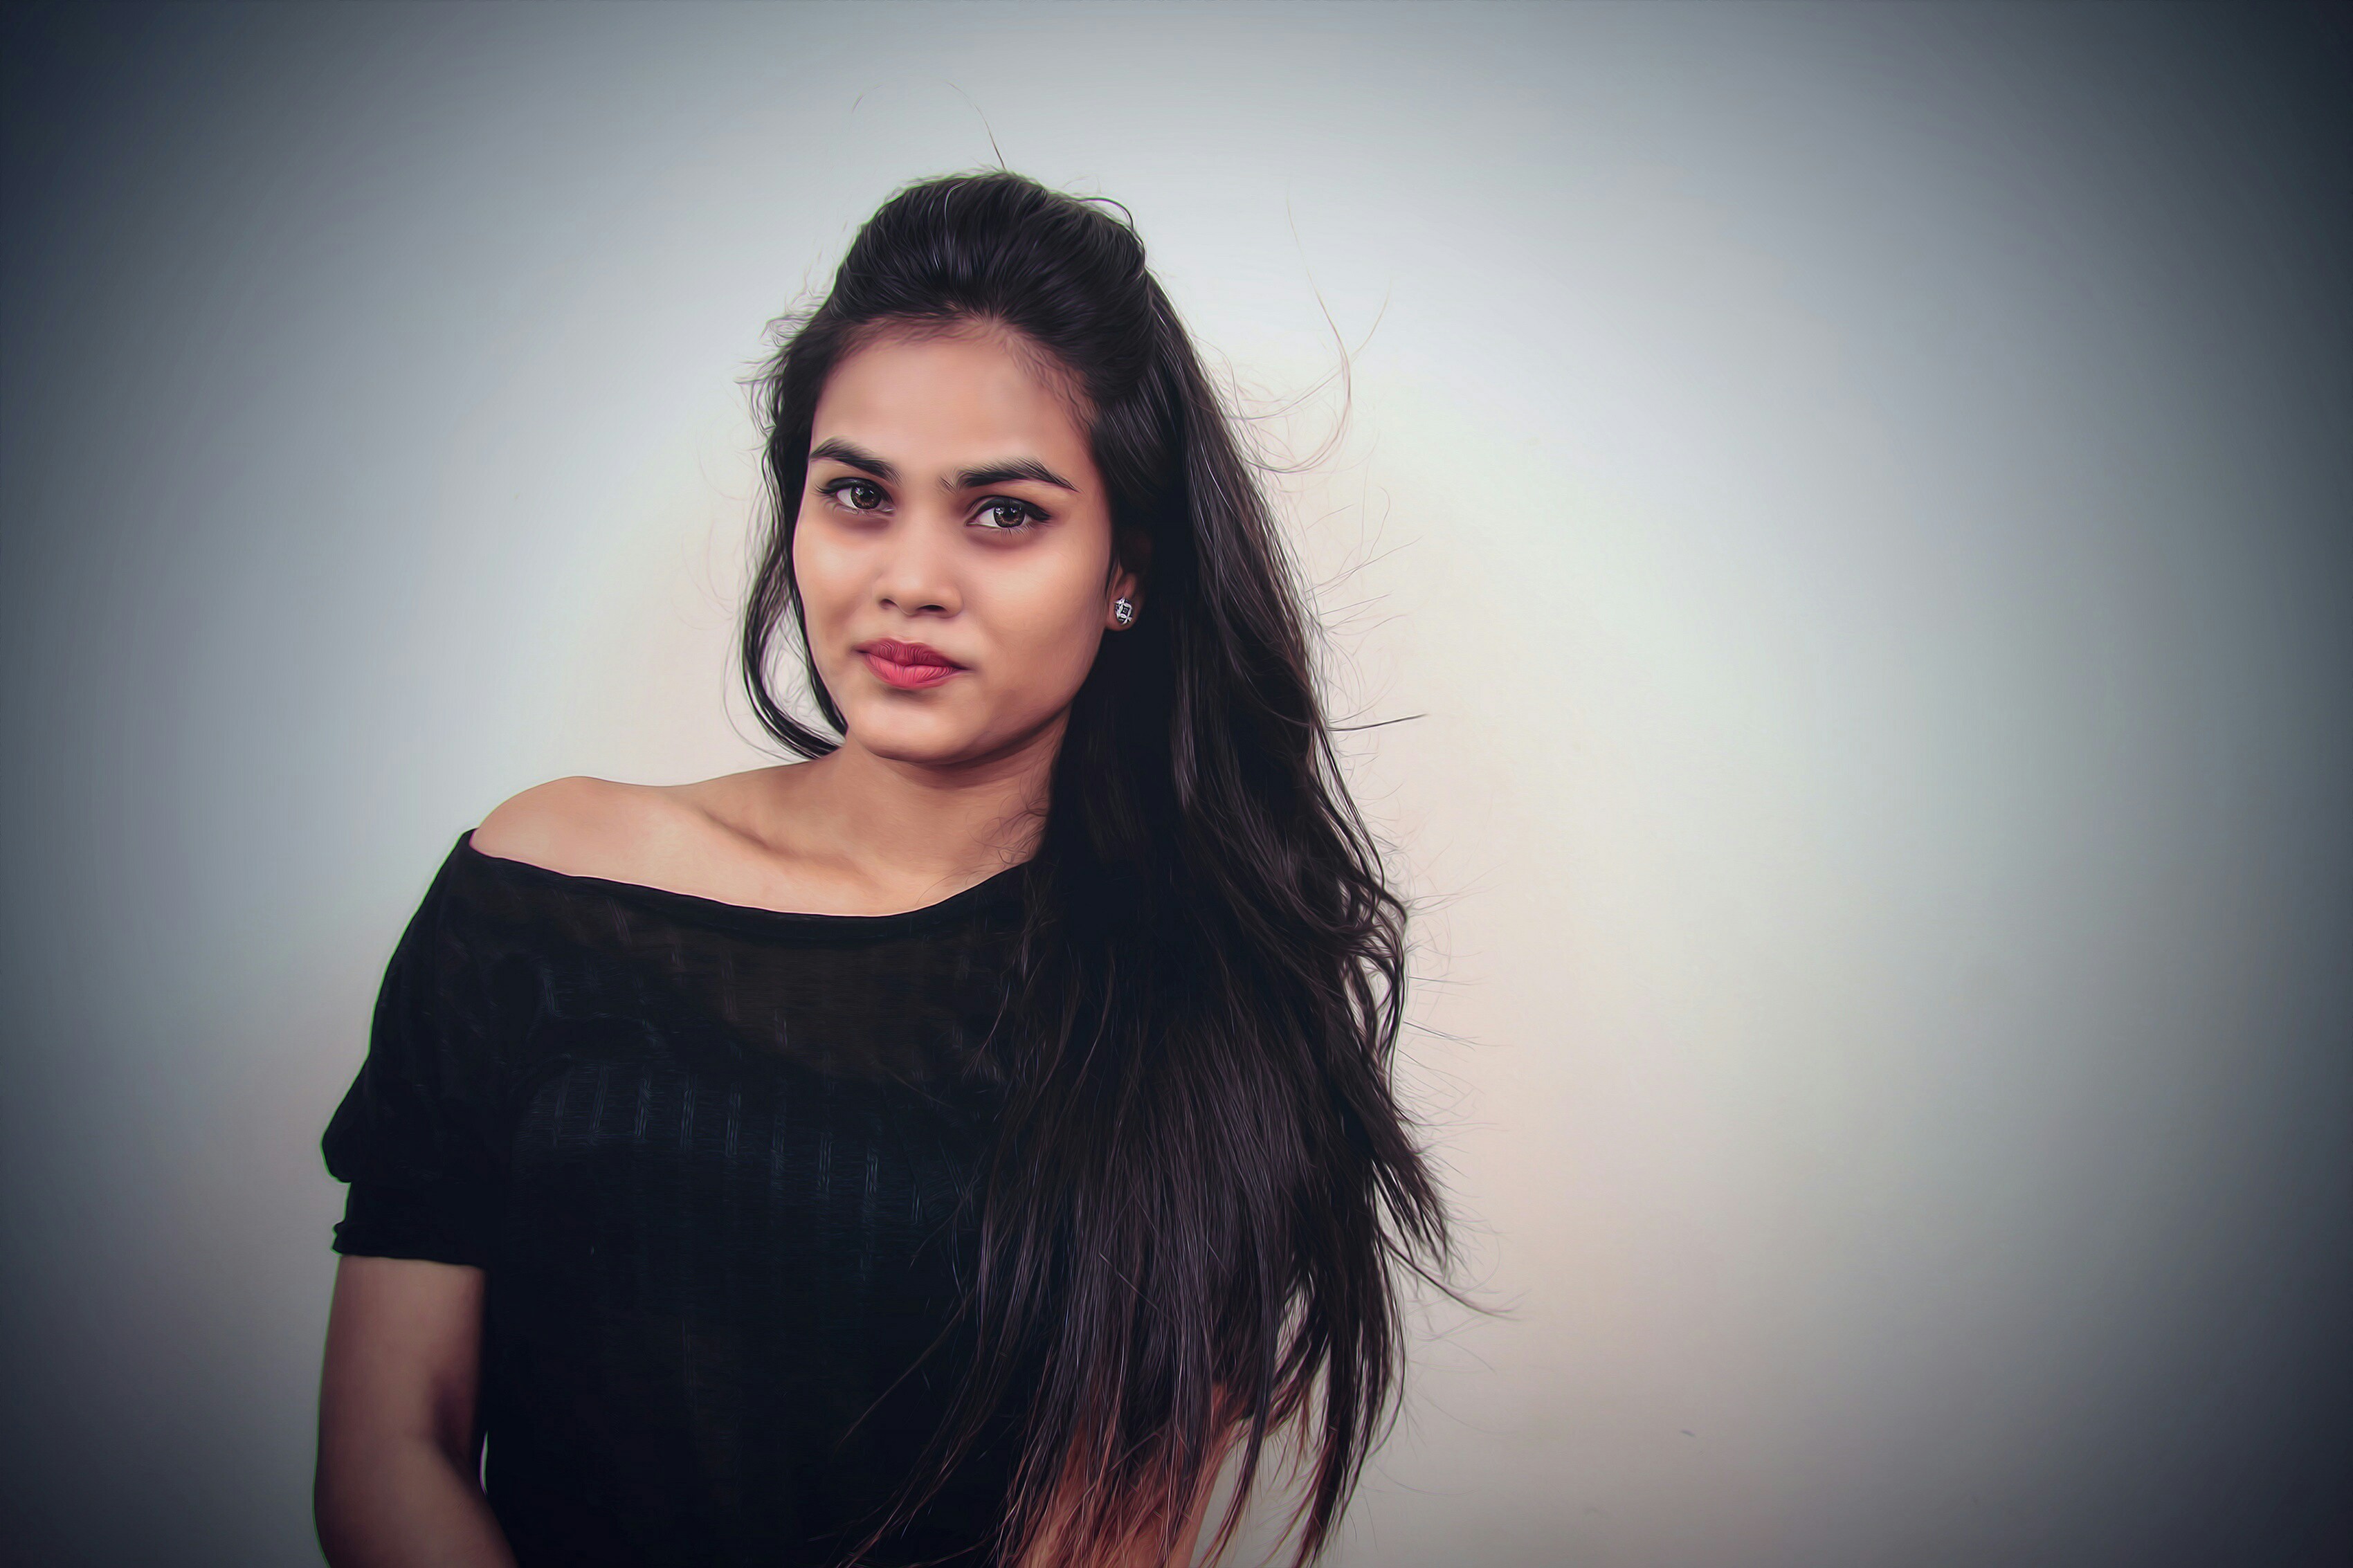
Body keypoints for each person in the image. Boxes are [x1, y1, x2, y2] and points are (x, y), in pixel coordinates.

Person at [314, 170, 1451, 1568]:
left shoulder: (1205, 1013)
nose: (909, 578)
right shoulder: (540, 886)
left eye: (1004, 513)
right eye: (857, 493)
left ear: (1128, 568)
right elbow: (390, 1445)